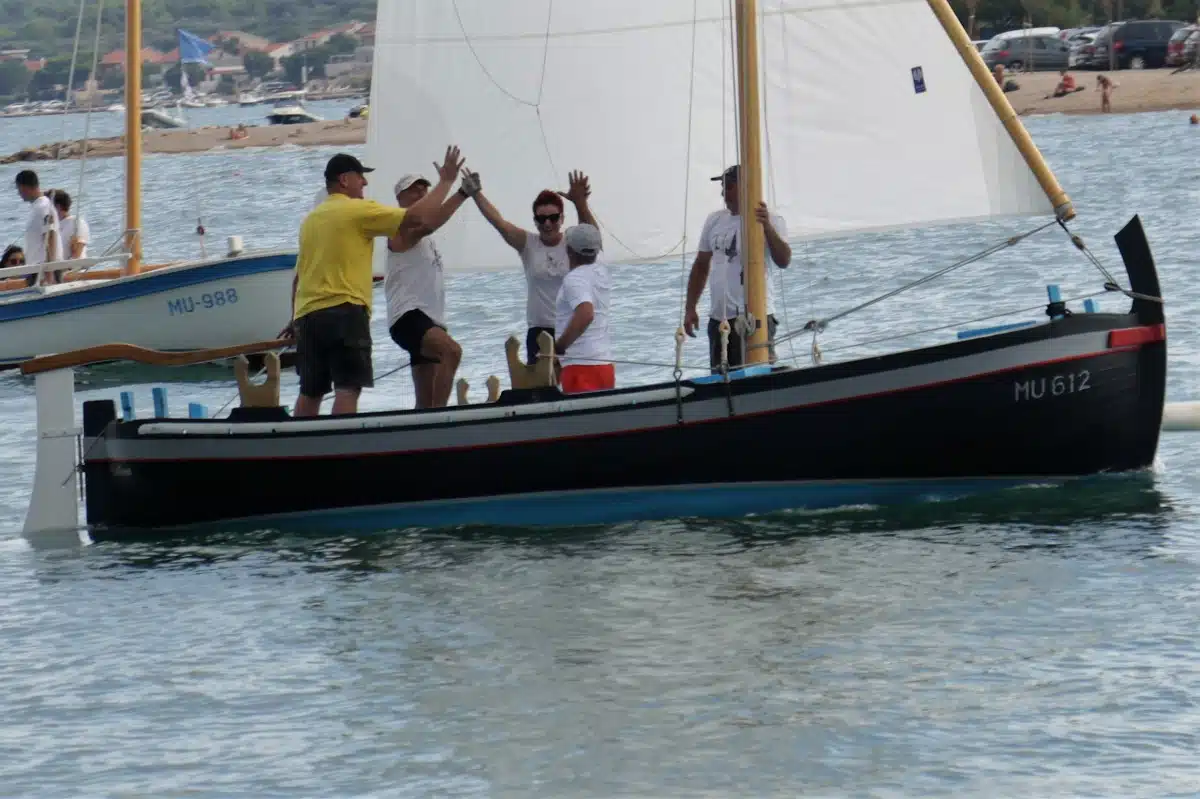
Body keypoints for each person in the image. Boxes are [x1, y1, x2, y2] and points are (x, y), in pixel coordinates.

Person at [281, 147, 466, 417]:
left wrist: (293, 319)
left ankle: (300, 442)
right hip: (345, 310)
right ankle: (344, 443)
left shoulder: (310, 221)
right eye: (360, 177)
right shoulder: (357, 209)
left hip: (307, 317)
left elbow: (300, 276)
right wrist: (447, 182)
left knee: (311, 391)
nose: (365, 183)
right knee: (347, 389)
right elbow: (417, 219)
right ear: (344, 180)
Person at [469, 171, 596, 364]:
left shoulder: (572, 243)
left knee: (573, 382)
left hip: (570, 330)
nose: (547, 223)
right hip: (539, 332)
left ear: (562, 218)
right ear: (535, 220)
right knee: (542, 383)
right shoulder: (528, 243)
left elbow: (593, 238)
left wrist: (580, 203)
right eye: (541, 219)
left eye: (553, 217)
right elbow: (499, 223)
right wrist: (476, 193)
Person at [385, 169, 481, 408]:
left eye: (424, 189)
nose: (421, 193)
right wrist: (460, 192)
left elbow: (430, 223)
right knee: (452, 352)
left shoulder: (426, 240)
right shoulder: (399, 227)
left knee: (424, 402)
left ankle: (425, 424)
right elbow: (428, 224)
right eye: (413, 189)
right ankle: (441, 419)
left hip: (429, 320)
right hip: (408, 317)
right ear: (400, 198)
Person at [683, 164, 792, 373]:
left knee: (756, 375)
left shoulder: (772, 219)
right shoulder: (715, 220)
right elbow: (701, 265)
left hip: (754, 317)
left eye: (729, 187)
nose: (723, 193)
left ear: (745, 187)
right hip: (720, 319)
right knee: (722, 379)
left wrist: (766, 227)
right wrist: (690, 307)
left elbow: (784, 260)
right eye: (723, 187)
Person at [554, 223, 613, 394]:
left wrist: (559, 347)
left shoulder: (574, 278)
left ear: (569, 250)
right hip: (605, 366)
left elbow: (586, 313)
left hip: (580, 368)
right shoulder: (602, 271)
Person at [14, 170, 62, 287]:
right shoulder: (37, 207)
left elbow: (50, 236)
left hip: (43, 271)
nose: (18, 193)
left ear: (24, 187)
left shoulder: (43, 207)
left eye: (18, 189)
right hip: (36, 269)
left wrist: (49, 272)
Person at [51, 189, 89, 260]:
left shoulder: (77, 222)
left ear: (58, 207)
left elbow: (77, 254)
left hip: (74, 266)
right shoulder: (54, 226)